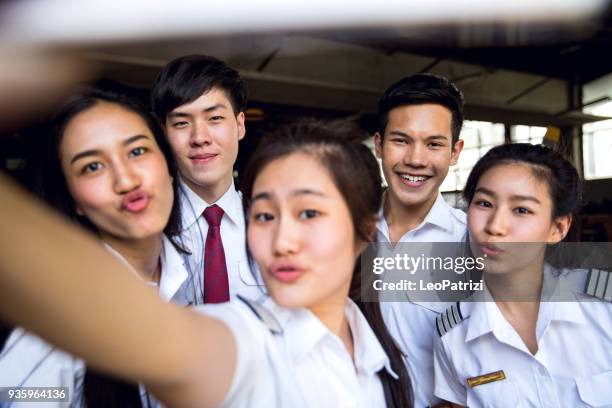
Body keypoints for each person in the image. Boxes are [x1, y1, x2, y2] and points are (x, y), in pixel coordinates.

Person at [0, 120, 413, 407]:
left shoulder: (380, 354)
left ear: (365, 229)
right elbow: (170, 343)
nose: (282, 242)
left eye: (309, 213)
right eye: (265, 216)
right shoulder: (247, 338)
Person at [0, 84, 190, 407]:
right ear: (74, 200)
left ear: (168, 166)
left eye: (137, 151)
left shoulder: (184, 271)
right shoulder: (56, 321)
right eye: (92, 166)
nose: (126, 181)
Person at [433, 143, 612, 407]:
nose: (494, 226)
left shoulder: (604, 307)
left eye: (521, 210)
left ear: (558, 228)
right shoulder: (452, 335)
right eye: (484, 203)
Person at [374, 73, 466, 407]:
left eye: (434, 144)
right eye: (401, 140)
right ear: (378, 144)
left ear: (455, 152)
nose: (416, 159)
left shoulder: (474, 244)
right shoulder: (343, 232)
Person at [151, 54, 261, 305]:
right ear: (163, 134)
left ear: (240, 125)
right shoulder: (146, 230)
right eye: (181, 123)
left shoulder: (273, 226)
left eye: (214, 118)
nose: (199, 137)